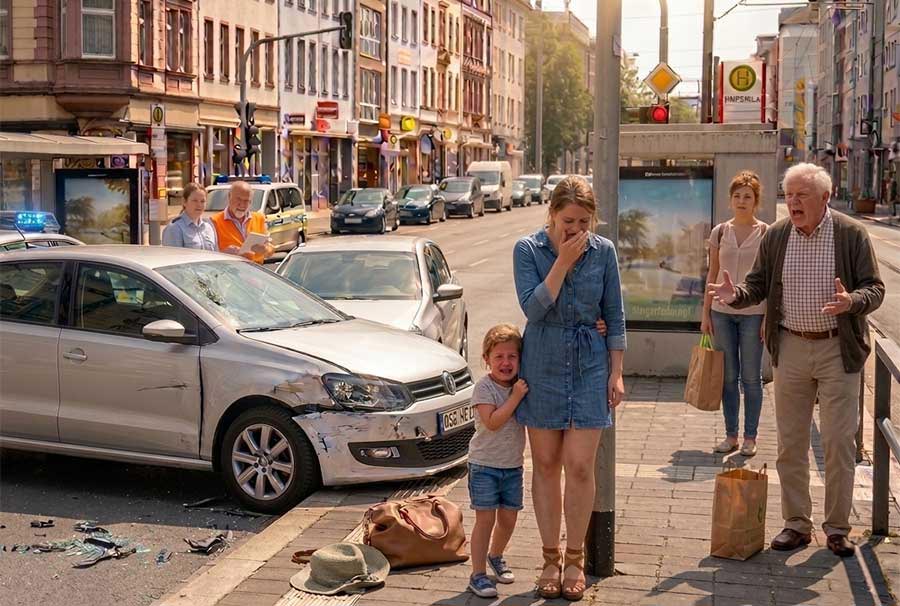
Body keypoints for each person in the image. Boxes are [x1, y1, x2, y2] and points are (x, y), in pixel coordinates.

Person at [709, 163, 884, 557]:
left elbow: (875, 287)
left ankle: (837, 528)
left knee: (839, 442)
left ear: (825, 197)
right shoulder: (778, 234)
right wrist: (735, 295)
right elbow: (758, 283)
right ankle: (796, 524)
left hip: (838, 349)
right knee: (790, 443)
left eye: (803, 195)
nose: (794, 202)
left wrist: (851, 302)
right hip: (789, 347)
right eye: (789, 195)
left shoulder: (851, 233)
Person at [513, 176, 626, 600]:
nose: (575, 230)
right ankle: (549, 557)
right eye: (567, 221)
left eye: (583, 221)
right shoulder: (528, 250)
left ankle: (575, 558)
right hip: (542, 362)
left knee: (580, 465)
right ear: (552, 214)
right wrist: (560, 261)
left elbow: (614, 315)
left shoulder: (604, 251)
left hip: (590, 364)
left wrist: (617, 372)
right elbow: (533, 309)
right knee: (545, 464)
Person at [701, 171, 769, 457]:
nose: (742, 201)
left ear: (756, 201)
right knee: (728, 377)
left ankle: (750, 437)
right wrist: (705, 313)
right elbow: (712, 273)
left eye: (748, 197)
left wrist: (768, 318)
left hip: (755, 313)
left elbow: (770, 279)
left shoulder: (766, 232)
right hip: (721, 312)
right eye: (737, 196)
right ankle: (731, 436)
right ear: (730, 200)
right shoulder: (720, 232)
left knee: (752, 377)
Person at [466, 324, 528, 599]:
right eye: (499, 357)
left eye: (512, 357)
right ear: (486, 360)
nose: (505, 362)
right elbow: (492, 423)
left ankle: (496, 555)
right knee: (485, 520)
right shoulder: (484, 388)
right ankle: (477, 575)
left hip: (513, 466)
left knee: (509, 518)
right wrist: (515, 398)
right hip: (484, 466)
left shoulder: (521, 384)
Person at [210, 180, 274, 263]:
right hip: (229, 272)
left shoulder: (259, 218)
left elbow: (271, 248)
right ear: (229, 197)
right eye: (239, 199)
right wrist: (225, 253)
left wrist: (266, 250)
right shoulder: (215, 221)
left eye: (246, 201)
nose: (242, 204)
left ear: (251, 202)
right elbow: (209, 254)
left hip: (256, 272)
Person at [161, 182, 218, 251]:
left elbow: (215, 255)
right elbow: (172, 258)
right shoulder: (175, 228)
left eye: (202, 201)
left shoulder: (208, 227)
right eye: (195, 201)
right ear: (184, 202)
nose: (199, 205)